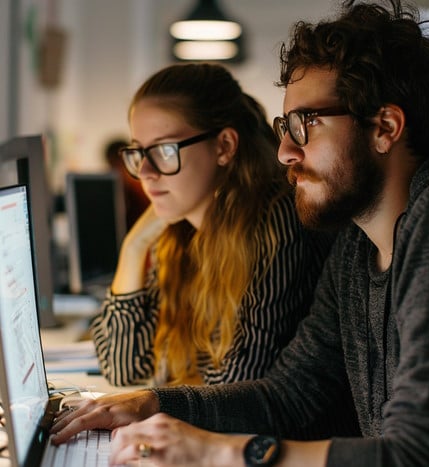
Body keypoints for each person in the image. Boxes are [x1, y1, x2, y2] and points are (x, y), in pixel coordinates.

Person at [52, 1, 429, 465]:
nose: (285, 152)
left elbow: (427, 454)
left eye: (306, 125)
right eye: (284, 126)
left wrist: (224, 452)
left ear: (385, 128)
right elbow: (290, 395)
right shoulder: (358, 243)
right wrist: (150, 403)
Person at [90, 63, 340, 396]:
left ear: (223, 146)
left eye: (165, 151)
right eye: (138, 152)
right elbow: (122, 368)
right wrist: (134, 247)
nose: (146, 172)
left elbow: (235, 389)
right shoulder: (177, 232)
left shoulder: (276, 220)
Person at [104, 137, 151, 229]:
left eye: (121, 164)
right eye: (114, 165)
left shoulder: (143, 191)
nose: (119, 171)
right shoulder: (105, 194)